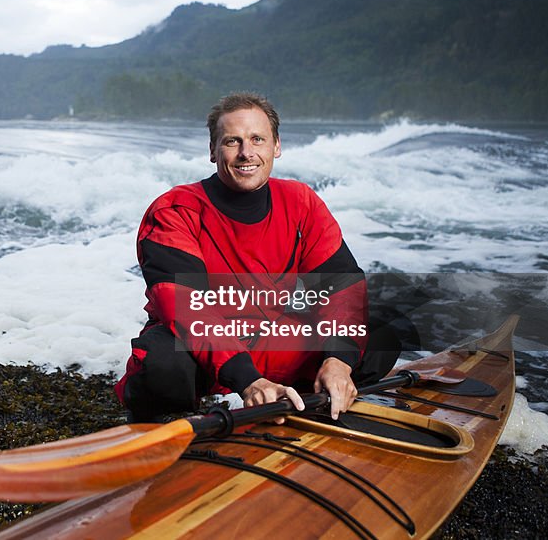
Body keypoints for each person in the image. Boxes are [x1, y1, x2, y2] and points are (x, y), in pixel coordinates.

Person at [115, 92, 394, 423]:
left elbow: (342, 288)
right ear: (212, 150)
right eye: (232, 141)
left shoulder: (301, 202)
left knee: (379, 334)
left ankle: (311, 391)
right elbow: (186, 307)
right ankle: (164, 419)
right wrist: (248, 380)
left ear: (276, 146)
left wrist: (338, 361)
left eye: (257, 139)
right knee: (164, 363)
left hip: (271, 336)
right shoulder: (175, 210)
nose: (246, 152)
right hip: (203, 347)